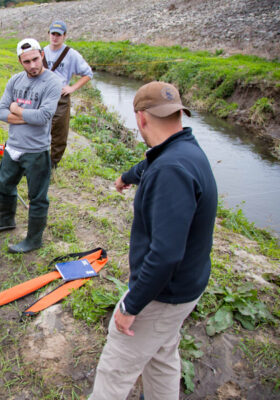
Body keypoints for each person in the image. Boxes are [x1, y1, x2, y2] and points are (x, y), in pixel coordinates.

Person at [89, 82, 218, 399]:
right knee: (161, 356)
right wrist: (128, 175)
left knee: (115, 369)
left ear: (140, 118)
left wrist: (131, 304)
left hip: (163, 294)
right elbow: (153, 162)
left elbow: (165, 254)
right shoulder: (185, 149)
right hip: (187, 287)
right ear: (178, 115)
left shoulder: (170, 171)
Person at [0, 38, 62, 253]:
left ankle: (33, 240)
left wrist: (16, 111)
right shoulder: (15, 80)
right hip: (13, 147)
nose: (33, 65)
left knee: (37, 197)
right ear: (20, 60)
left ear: (42, 55)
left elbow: (44, 116)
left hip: (36, 150)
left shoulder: (53, 82)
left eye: (36, 59)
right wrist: (28, 116)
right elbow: (0, 112)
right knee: (4, 185)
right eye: (26, 61)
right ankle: (7, 221)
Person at [43, 20, 93, 169]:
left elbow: (88, 73)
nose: (55, 37)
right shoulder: (41, 51)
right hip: (43, 96)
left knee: (59, 132)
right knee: (39, 129)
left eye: (59, 34)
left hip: (60, 98)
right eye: (53, 34)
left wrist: (72, 88)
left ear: (64, 36)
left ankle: (52, 164)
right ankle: (36, 161)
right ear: (48, 34)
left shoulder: (71, 54)